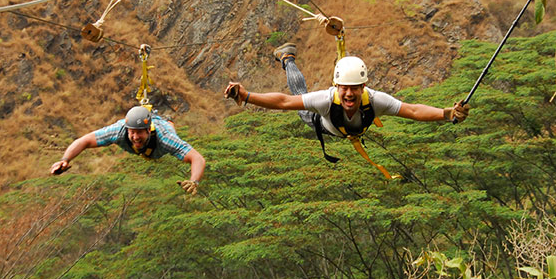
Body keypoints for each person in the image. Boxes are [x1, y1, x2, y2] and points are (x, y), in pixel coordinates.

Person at [223, 43, 469, 177]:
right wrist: (247, 97)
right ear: (336, 86)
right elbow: (284, 102)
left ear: (364, 86)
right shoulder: (326, 99)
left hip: (350, 129)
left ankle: (287, 59)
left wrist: (447, 113)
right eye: (344, 89)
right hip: (321, 123)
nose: (349, 94)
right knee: (299, 96)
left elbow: (413, 111)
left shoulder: (375, 100)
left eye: (355, 89)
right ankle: (287, 59)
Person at [50, 106, 205, 195]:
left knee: (168, 125)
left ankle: (168, 119)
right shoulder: (119, 131)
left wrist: (194, 181)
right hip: (145, 143)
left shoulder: (164, 138)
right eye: (132, 132)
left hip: (162, 130)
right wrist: (65, 160)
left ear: (148, 130)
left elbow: (197, 158)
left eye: (139, 132)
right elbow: (84, 140)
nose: (135, 137)